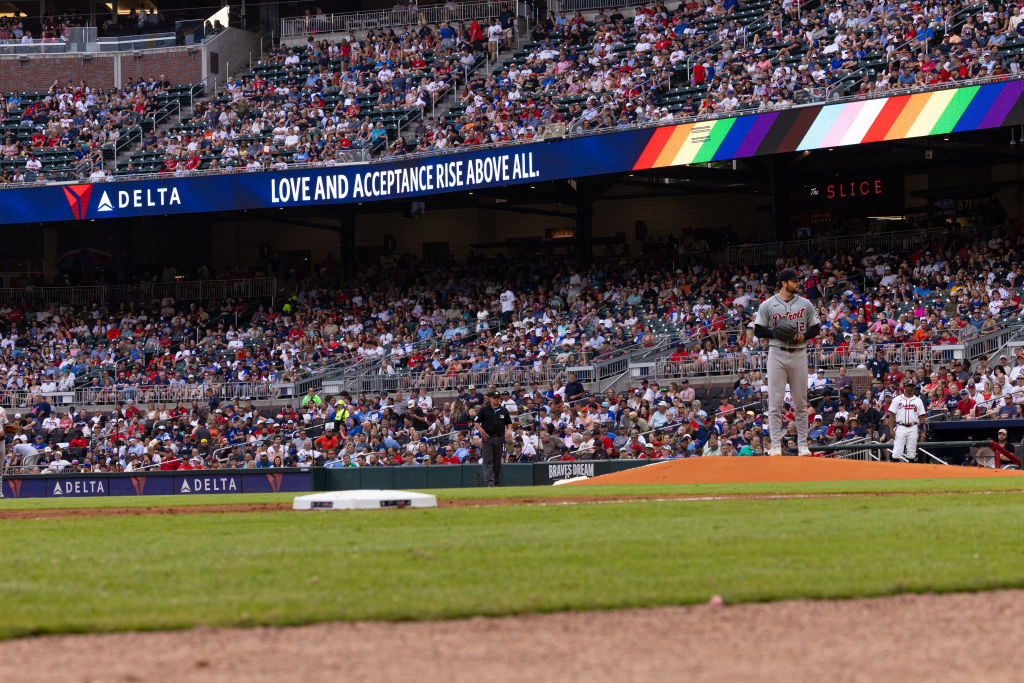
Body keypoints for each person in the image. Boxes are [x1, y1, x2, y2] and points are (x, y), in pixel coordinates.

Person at [754, 268, 820, 456]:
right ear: (784, 283)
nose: (797, 283)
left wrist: (803, 337)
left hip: (799, 353)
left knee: (800, 403)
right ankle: (775, 445)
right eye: (794, 281)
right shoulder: (768, 305)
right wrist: (775, 333)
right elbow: (758, 330)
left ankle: (802, 445)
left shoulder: (805, 304)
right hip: (777, 353)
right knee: (774, 402)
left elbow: (815, 329)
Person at [474, 390, 512, 486]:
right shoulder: (484, 409)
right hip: (488, 438)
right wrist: (480, 430)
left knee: (497, 462)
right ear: (490, 399)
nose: (496, 400)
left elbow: (509, 422)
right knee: (488, 461)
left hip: (499, 438)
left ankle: (495, 481)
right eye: (494, 398)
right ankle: (489, 482)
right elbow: (476, 421)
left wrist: (508, 431)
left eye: (498, 398)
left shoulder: (504, 410)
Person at [887, 379, 926, 462]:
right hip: (900, 427)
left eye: (911, 386)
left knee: (911, 454)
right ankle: (895, 473)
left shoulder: (918, 401)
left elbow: (922, 418)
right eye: (908, 386)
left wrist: (923, 431)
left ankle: (909, 473)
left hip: (913, 427)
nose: (910, 388)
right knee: (896, 453)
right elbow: (891, 416)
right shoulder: (897, 399)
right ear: (904, 387)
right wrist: (891, 430)